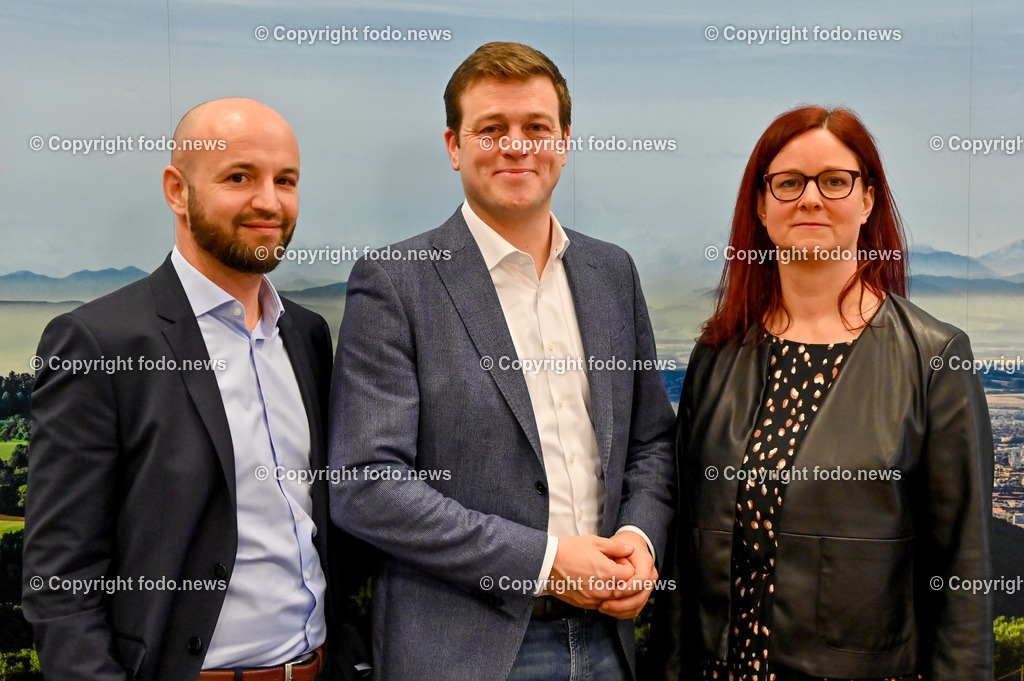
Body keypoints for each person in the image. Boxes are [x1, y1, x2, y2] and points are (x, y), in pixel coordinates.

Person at [327, 42, 676, 681]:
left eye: (536, 128)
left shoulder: (611, 273)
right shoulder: (396, 282)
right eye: (491, 129)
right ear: (455, 146)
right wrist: (545, 563)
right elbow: (367, 485)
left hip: (609, 644)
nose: (516, 145)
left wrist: (639, 541)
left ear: (564, 141)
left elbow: (652, 442)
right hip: (465, 652)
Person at [22, 98, 368, 681]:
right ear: (177, 191)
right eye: (239, 177)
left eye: (286, 180)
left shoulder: (306, 335)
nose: (269, 201)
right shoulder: (99, 343)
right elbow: (60, 584)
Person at [665, 106, 993, 680]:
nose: (810, 199)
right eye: (788, 183)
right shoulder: (716, 356)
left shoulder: (934, 358)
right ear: (761, 207)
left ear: (867, 201)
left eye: (834, 181)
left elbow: (963, 579)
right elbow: (682, 567)